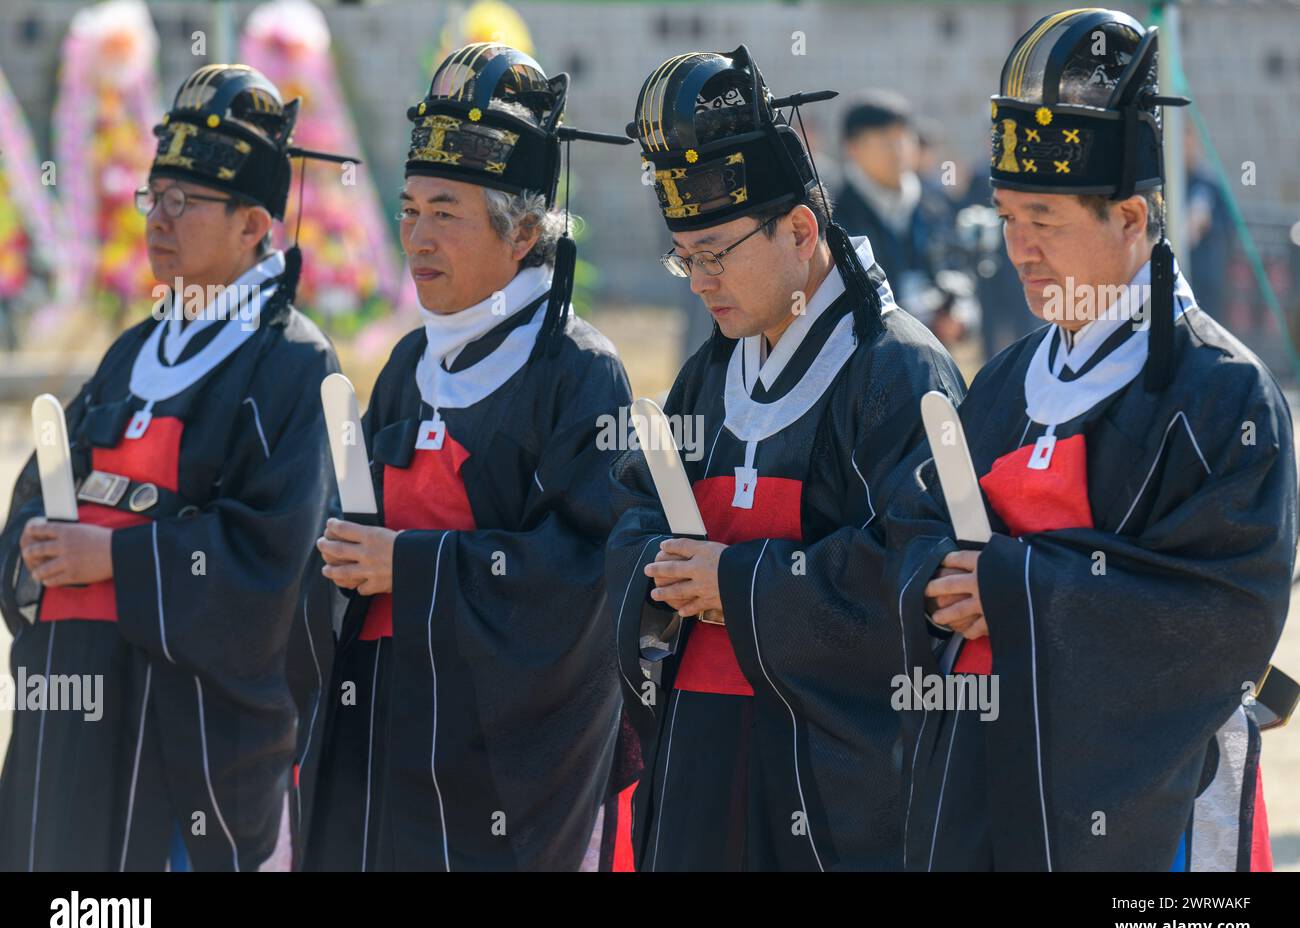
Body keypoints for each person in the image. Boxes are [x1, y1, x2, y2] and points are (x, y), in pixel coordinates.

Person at [887, 8, 1296, 871]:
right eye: (1005, 216)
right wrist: (936, 577)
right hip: (984, 784)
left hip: (1150, 813)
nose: (1019, 248)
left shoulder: (1222, 396)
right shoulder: (1004, 383)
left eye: (1045, 216)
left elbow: (1227, 619)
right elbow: (912, 526)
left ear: (1132, 217)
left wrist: (1012, 584)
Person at [607, 46, 964, 871]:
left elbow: (923, 581)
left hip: (827, 786)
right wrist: (658, 575)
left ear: (801, 229)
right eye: (682, 257)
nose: (698, 281)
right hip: (699, 752)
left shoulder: (897, 370)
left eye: (716, 255)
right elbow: (633, 514)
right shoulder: (711, 370)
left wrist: (734, 583)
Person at [302, 42, 634, 872]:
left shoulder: (580, 373)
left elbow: (586, 578)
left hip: (497, 756)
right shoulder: (409, 364)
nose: (417, 236)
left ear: (522, 231)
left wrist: (410, 567)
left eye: (445, 212)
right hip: (381, 718)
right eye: (409, 210)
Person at [0, 65, 341, 871]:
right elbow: (33, 504)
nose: (158, 219)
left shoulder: (294, 365)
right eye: (154, 196)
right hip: (73, 717)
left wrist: (112, 558)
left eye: (185, 201)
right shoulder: (131, 354)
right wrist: (38, 547)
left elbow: (276, 566)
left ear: (256, 224)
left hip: (189, 747)